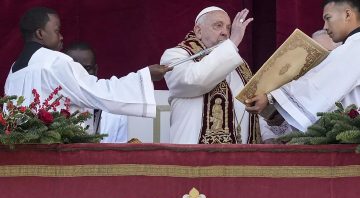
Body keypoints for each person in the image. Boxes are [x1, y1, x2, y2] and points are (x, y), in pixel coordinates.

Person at [5, 7, 171, 121]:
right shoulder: (54, 61)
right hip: (55, 154)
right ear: (40, 33)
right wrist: (144, 76)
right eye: (57, 30)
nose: (61, 36)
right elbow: (97, 92)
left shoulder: (13, 71)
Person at [161, 6, 281, 144]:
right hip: (196, 156)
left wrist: (267, 136)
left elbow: (251, 106)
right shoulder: (177, 55)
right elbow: (196, 81)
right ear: (198, 31)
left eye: (229, 28)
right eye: (218, 26)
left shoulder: (239, 66)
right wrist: (233, 42)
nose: (225, 32)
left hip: (242, 157)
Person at [245, 0, 360, 132]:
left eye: (328, 18)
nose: (325, 27)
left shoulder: (354, 47)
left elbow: (317, 84)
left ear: (347, 15)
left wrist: (271, 98)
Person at [64, 42, 128, 142]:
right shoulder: (51, 106)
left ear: (96, 70)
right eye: (74, 69)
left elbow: (120, 154)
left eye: (87, 68)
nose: (81, 75)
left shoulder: (115, 111)